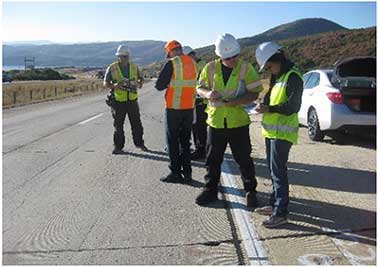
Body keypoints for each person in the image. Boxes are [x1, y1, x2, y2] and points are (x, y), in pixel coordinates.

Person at [195, 33, 263, 207]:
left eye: (235, 56)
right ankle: (210, 191)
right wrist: (208, 93)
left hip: (238, 122)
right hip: (215, 122)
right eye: (228, 57)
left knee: (244, 159)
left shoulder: (246, 68)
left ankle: (250, 191)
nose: (233, 60)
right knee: (212, 159)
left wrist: (236, 102)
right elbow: (199, 88)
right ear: (220, 56)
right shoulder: (210, 68)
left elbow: (255, 93)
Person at [254, 42, 303, 228]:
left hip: (283, 134)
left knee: (279, 173)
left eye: (269, 66)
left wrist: (269, 108)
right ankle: (274, 204)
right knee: (273, 171)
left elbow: (293, 106)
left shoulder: (293, 77)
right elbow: (269, 98)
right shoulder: (278, 76)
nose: (268, 69)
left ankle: (280, 213)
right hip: (271, 131)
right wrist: (262, 104)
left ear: (277, 59)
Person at [155, 40, 198, 183]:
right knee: (185, 142)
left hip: (174, 108)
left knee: (173, 141)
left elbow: (159, 86)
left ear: (171, 51)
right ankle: (187, 174)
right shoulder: (192, 63)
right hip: (189, 108)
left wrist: (168, 83)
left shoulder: (172, 63)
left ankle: (175, 173)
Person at [104, 44, 147, 154]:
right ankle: (118, 147)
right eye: (121, 56)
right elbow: (105, 83)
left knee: (136, 124)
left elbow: (141, 79)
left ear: (129, 56)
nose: (124, 58)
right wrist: (114, 86)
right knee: (118, 125)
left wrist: (139, 83)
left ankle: (140, 144)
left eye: (126, 56)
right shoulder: (112, 68)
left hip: (132, 100)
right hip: (118, 102)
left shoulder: (134, 67)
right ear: (118, 56)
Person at [184, 47, 208, 160]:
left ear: (192, 55)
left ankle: (201, 150)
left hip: (200, 101)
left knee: (199, 127)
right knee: (196, 126)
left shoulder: (200, 66)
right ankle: (201, 148)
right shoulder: (199, 64)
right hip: (196, 101)